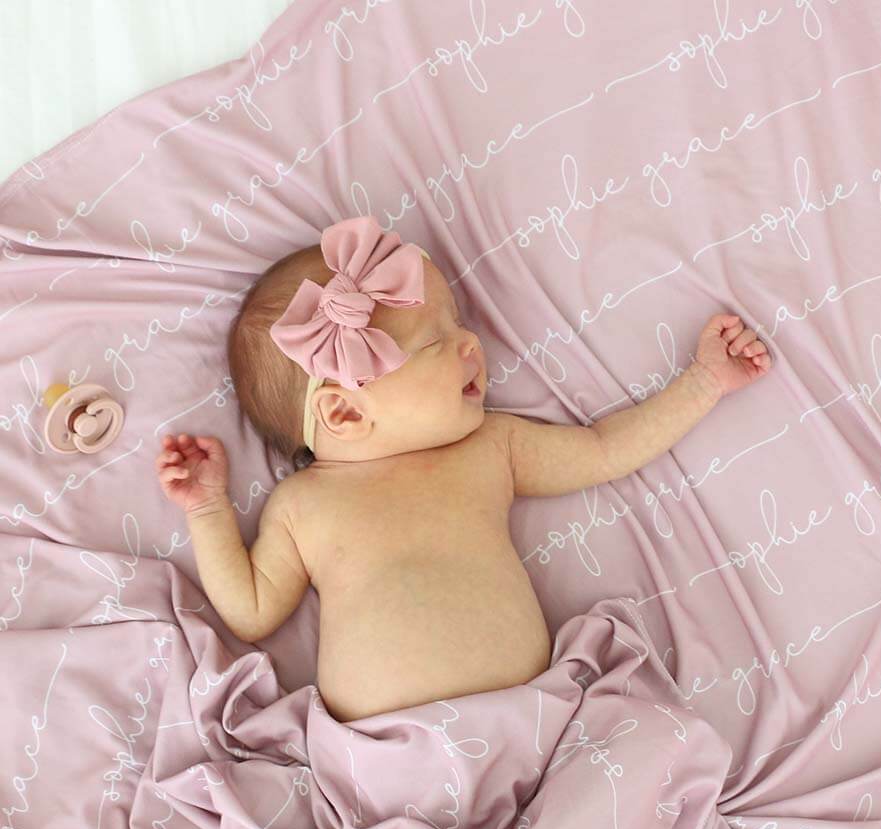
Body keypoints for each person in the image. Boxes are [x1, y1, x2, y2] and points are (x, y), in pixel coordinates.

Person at [154, 216, 772, 722]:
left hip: (535, 726)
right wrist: (208, 509)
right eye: (434, 341)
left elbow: (605, 449)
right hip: (387, 759)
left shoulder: (489, 448)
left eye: (458, 323)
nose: (471, 343)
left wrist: (704, 382)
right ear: (343, 411)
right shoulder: (303, 506)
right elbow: (252, 612)